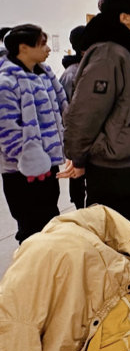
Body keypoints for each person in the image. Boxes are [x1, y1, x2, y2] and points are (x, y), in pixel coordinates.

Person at [63, 0, 130, 223]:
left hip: (128, 163)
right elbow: (85, 113)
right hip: (111, 168)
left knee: (124, 231)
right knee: (110, 234)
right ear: (125, 17)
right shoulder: (108, 54)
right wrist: (77, 158)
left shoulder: (127, 53)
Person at [0, 25, 70, 242]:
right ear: (24, 48)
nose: (48, 49)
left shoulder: (44, 75)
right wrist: (29, 160)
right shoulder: (6, 82)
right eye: (42, 44)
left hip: (47, 164)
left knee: (49, 219)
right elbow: (6, 130)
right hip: (20, 169)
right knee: (30, 225)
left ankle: (50, 261)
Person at [58, 24, 87, 209]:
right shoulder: (72, 74)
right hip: (78, 137)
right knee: (77, 176)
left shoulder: (85, 69)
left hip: (86, 136)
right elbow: (68, 112)